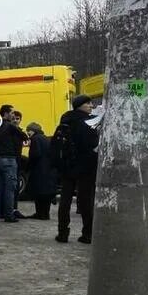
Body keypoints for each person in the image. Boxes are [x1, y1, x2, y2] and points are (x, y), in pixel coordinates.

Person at [54, 94, 98, 244]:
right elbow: (92, 145)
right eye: (89, 104)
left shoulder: (65, 120)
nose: (91, 106)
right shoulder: (88, 122)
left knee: (65, 200)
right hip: (85, 166)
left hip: (67, 165)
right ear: (81, 105)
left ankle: (62, 233)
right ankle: (87, 234)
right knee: (85, 200)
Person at [0, 104, 27, 222]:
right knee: (10, 189)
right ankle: (8, 214)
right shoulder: (10, 126)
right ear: (6, 114)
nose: (13, 115)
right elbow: (24, 136)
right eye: (12, 113)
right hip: (9, 159)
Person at [25, 122, 55, 219]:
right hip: (48, 169)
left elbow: (35, 154)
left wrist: (28, 165)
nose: (27, 133)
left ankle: (40, 213)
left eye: (28, 131)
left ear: (32, 130)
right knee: (46, 193)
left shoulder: (35, 139)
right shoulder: (46, 138)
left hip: (39, 169)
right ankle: (46, 213)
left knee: (38, 193)